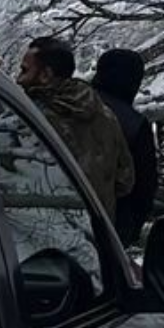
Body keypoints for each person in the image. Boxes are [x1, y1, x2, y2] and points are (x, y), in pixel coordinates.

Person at [17, 37, 134, 219]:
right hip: (95, 233)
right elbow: (125, 181)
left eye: (24, 71)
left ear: (46, 74)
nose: (18, 79)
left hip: (43, 230)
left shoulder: (30, 118)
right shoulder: (105, 115)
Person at [92, 49, 159, 247]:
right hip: (111, 225)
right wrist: (131, 229)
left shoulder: (67, 106)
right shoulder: (134, 124)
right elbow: (144, 187)